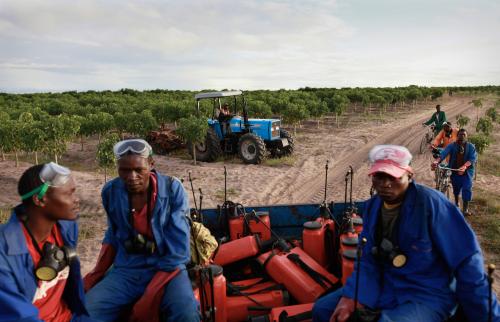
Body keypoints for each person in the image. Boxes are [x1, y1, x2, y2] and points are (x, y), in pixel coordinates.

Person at [313, 145, 499, 322]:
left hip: (427, 293)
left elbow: (466, 261)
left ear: (409, 175)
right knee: (323, 310)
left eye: (393, 177)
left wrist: (488, 315)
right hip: (386, 283)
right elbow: (369, 260)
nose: (385, 184)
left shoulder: (431, 205)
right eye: (379, 176)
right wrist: (352, 297)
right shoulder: (372, 208)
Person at [84, 139, 199, 322]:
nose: (132, 176)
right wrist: (95, 275)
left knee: (186, 313)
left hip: (168, 268)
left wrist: (149, 297)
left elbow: (178, 253)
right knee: (86, 312)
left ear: (151, 165)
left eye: (139, 170)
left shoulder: (171, 189)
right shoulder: (111, 192)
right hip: (128, 269)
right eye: (125, 170)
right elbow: (113, 236)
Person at [0, 163, 93, 321]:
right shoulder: (5, 254)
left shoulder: (67, 228)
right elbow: (20, 317)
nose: (77, 200)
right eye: (69, 194)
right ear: (40, 200)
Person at [432, 129, 477, 216]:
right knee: (456, 189)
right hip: (454, 171)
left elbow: (472, 159)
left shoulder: (471, 147)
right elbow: (444, 153)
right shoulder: (452, 145)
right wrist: (437, 161)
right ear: (457, 136)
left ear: (466, 136)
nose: (462, 136)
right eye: (460, 134)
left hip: (466, 172)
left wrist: (464, 167)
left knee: (467, 188)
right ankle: (456, 202)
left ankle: (465, 209)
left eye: (464, 135)